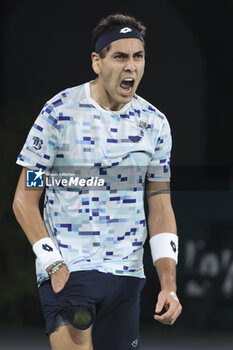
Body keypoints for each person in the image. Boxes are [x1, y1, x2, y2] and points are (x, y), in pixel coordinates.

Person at [13, 13, 182, 350]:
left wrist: (168, 284)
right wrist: (52, 262)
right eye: (120, 56)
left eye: (138, 56)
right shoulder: (58, 113)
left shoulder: (155, 124)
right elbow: (24, 199)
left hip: (126, 276)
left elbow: (160, 206)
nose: (131, 66)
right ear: (97, 62)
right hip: (69, 270)